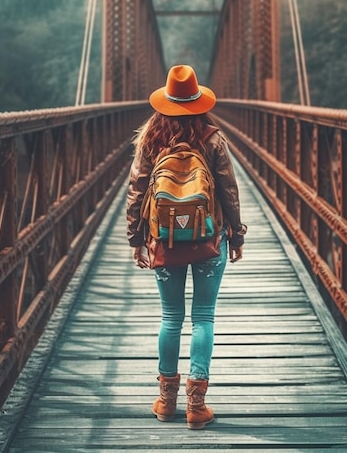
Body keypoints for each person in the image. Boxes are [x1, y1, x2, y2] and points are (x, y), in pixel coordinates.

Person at [126, 64, 246, 430]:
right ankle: (197, 406)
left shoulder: (150, 137)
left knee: (171, 317)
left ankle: (166, 402)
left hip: (164, 240)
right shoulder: (213, 138)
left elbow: (137, 189)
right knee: (203, 316)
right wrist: (236, 235)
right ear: (198, 102)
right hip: (210, 238)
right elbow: (228, 191)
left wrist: (136, 238)